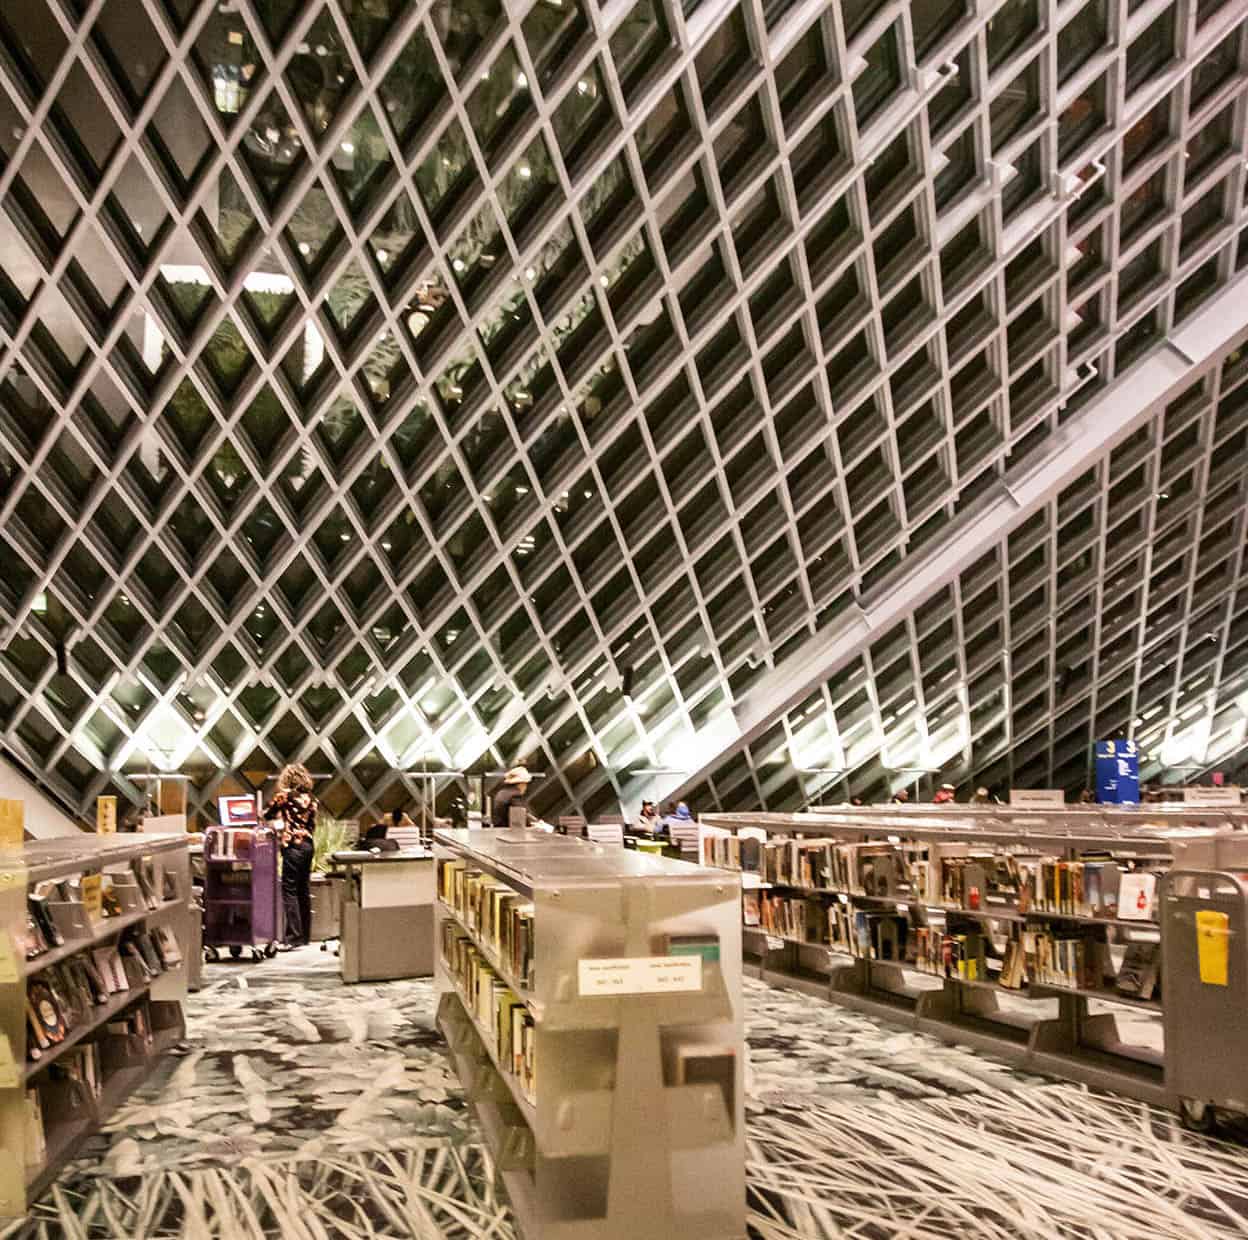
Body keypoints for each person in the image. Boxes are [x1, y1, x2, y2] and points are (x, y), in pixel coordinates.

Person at [264, 764, 318, 950]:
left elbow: (267, 813)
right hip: (308, 845)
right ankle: (304, 936)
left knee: (289, 890)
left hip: (292, 846)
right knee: (303, 889)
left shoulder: (285, 796)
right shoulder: (312, 799)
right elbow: (312, 824)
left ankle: (293, 937)